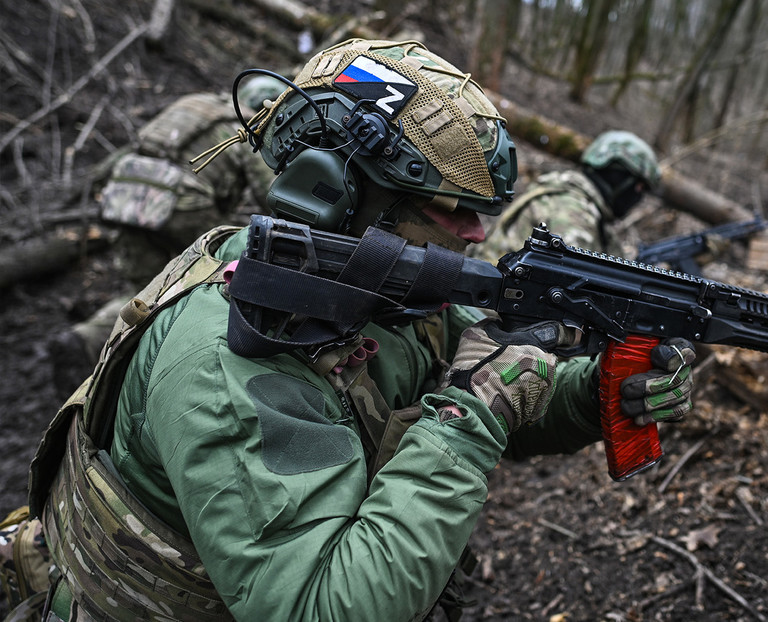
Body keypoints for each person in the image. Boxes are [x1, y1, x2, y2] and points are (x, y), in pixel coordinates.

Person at [12, 39, 696, 622]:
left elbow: (494, 380)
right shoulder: (229, 352)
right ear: (333, 191)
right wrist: (470, 417)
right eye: (450, 207)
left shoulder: (378, 291)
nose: (476, 232)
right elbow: (323, 606)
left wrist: (590, 393)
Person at [50, 76, 286, 391]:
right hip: (182, 204)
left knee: (145, 288)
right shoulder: (245, 125)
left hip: (128, 194)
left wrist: (97, 186)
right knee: (210, 280)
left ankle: (88, 339)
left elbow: (129, 150)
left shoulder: (195, 104)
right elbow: (270, 195)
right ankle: (186, 370)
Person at [475, 129, 661, 261]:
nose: (638, 197)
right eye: (639, 187)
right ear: (619, 178)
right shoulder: (571, 211)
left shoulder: (573, 199)